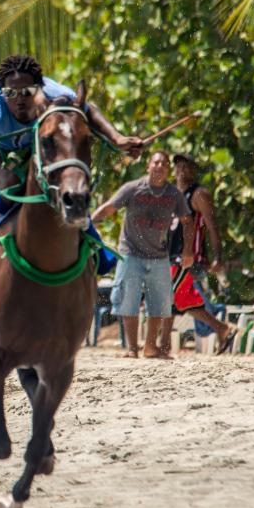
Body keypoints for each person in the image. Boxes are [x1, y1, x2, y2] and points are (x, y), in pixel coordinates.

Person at [0, 54, 142, 281]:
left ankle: (96, 245)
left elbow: (87, 109)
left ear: (39, 89)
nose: (19, 100)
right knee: (10, 184)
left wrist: (117, 139)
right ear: (2, 93)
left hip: (30, 148)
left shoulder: (53, 95)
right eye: (10, 94)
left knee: (64, 181)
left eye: (27, 92)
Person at [91, 151, 194, 359]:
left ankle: (150, 347)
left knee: (159, 302)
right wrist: (88, 223)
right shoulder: (133, 188)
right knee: (128, 300)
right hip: (130, 252)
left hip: (158, 255)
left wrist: (188, 250)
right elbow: (110, 208)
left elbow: (187, 221)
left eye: (164, 164)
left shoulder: (174, 194)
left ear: (168, 170)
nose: (160, 166)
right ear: (148, 166)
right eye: (156, 162)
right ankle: (132, 348)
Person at [160, 153, 235, 355]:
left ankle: (165, 346)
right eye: (179, 165)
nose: (182, 169)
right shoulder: (172, 195)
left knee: (171, 297)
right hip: (171, 256)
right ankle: (220, 328)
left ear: (194, 170)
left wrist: (218, 256)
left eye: (188, 166)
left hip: (190, 257)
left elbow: (212, 227)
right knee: (176, 300)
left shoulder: (199, 194)